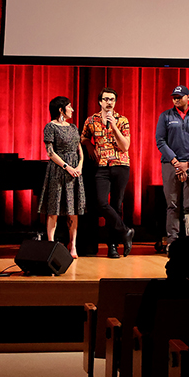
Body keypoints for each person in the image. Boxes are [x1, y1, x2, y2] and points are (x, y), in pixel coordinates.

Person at [80, 88, 135, 258]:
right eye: (106, 99)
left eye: (112, 99)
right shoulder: (91, 120)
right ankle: (125, 231)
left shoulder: (122, 120)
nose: (109, 102)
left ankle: (113, 246)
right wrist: (89, 145)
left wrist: (114, 127)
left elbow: (125, 146)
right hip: (101, 166)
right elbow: (83, 137)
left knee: (117, 205)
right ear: (100, 101)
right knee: (101, 202)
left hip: (120, 165)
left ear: (115, 102)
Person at [155, 85, 189, 245]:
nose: (176, 99)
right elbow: (160, 141)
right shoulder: (165, 116)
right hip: (171, 164)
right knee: (172, 205)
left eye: (179, 97)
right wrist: (176, 163)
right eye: (174, 97)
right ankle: (172, 242)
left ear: (188, 98)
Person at [38, 96, 86, 258]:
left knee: (73, 209)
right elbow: (50, 152)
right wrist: (67, 167)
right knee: (54, 209)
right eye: (69, 106)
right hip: (58, 170)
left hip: (75, 171)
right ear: (61, 109)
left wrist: (79, 165)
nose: (72, 109)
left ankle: (73, 246)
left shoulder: (73, 127)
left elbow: (79, 149)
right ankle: (51, 246)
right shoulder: (50, 127)